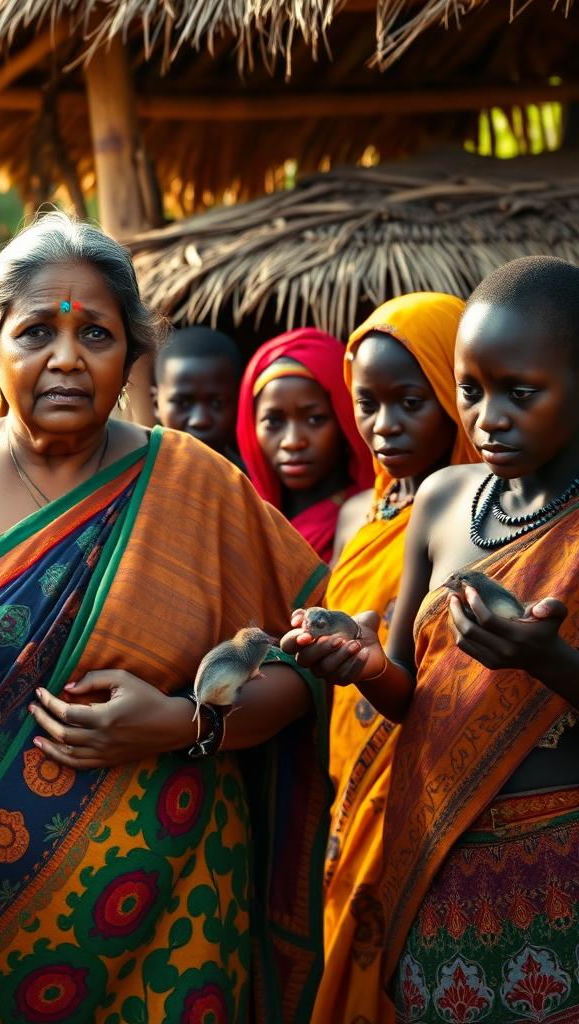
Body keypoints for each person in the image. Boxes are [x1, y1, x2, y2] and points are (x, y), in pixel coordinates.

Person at [0, 212, 333, 1024]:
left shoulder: (196, 483)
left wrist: (180, 724)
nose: (65, 358)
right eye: (34, 333)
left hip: (173, 921)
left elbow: (310, 661)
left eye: (95, 332)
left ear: (131, 352)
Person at [286, 256, 579, 1022]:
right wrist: (367, 664)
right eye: (471, 391)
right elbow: (409, 694)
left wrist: (550, 662)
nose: (489, 418)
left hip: (561, 866)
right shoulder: (446, 501)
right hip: (437, 863)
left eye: (522, 393)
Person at [311, 293, 478, 1024]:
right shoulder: (361, 515)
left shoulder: (477, 520)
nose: (383, 427)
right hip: (349, 781)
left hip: (426, 779)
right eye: (366, 404)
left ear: (452, 393)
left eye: (411, 401)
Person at [237, 329, 373, 563]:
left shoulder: (370, 521)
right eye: (273, 421)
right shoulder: (239, 519)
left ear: (345, 419)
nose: (293, 441)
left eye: (315, 419)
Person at [153, 325, 245, 465]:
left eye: (217, 403)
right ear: (156, 404)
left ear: (239, 404)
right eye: (183, 403)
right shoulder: (135, 480)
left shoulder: (250, 484)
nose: (200, 420)